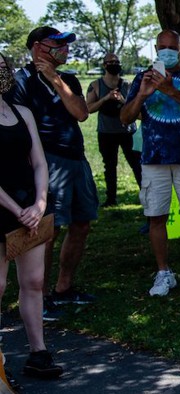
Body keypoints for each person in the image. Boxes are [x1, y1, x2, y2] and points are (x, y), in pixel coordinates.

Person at [120, 30, 180, 297]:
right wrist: (142, 94)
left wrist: (171, 90)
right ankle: (163, 273)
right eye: (162, 47)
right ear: (155, 48)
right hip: (154, 158)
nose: (167, 51)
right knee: (155, 218)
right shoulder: (142, 78)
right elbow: (125, 118)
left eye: (172, 47)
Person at [12, 26, 97, 320]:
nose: (65, 48)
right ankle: (41, 296)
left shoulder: (67, 78)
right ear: (38, 48)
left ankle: (64, 287)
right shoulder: (19, 81)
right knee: (49, 230)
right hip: (48, 162)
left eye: (66, 44)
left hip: (77, 160)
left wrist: (55, 79)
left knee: (82, 224)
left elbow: (81, 112)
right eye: (57, 44)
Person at [0, 52, 64, 380]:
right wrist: (16, 210)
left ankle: (38, 353)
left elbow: (39, 162)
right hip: (5, 209)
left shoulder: (21, 113)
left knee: (35, 282)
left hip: (30, 207)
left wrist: (39, 204)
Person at [86, 54, 142, 207]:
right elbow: (88, 109)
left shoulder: (128, 85)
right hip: (106, 133)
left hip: (128, 132)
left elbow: (138, 110)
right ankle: (111, 199)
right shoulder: (96, 85)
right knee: (109, 166)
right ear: (104, 65)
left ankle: (146, 195)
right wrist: (105, 98)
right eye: (110, 62)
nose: (114, 64)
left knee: (137, 164)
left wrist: (122, 100)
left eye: (117, 62)